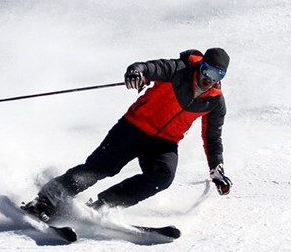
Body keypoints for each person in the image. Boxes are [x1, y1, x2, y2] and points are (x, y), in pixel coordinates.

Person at [23, 47, 233, 222]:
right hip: (134, 127)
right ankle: (46, 199)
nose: (209, 79)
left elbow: (212, 137)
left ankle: (103, 204)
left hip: (164, 142)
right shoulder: (179, 70)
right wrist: (137, 73)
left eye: (217, 75)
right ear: (200, 65)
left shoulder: (214, 102)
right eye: (207, 71)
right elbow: (149, 68)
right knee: (100, 168)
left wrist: (216, 168)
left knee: (163, 176)